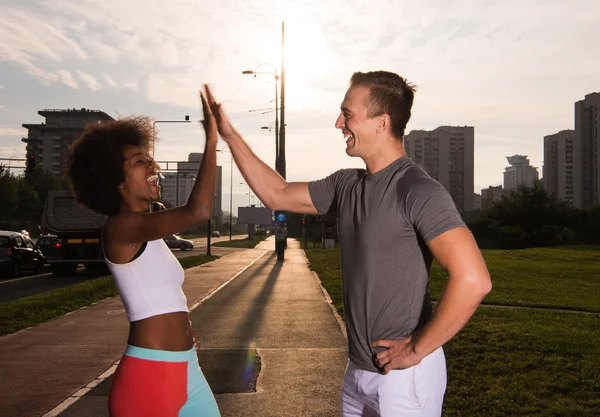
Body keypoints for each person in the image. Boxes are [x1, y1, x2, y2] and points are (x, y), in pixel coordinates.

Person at [206, 73, 492, 416]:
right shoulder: (347, 185)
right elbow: (276, 193)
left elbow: (474, 279)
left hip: (403, 379)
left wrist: (416, 349)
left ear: (381, 123)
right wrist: (229, 135)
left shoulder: (417, 190)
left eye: (348, 114)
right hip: (357, 373)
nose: (339, 123)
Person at [66, 86, 221, 417]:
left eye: (150, 158)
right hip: (149, 378)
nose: (153, 165)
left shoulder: (150, 231)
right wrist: (211, 141)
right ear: (116, 181)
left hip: (187, 369)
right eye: (140, 162)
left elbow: (158, 295)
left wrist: (180, 325)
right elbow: (198, 212)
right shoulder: (121, 228)